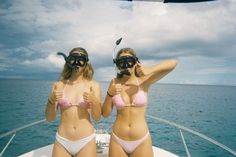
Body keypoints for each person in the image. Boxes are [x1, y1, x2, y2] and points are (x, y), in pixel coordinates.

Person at [102, 48, 177, 157]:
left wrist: (150, 69)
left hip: (141, 140)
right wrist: (110, 94)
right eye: (122, 62)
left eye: (129, 61)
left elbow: (173, 63)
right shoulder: (114, 82)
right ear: (118, 65)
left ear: (136, 62)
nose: (126, 65)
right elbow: (105, 114)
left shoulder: (144, 81)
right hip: (118, 139)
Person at [45, 47, 102, 157]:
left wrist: (94, 101)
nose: (76, 63)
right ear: (68, 61)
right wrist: (51, 101)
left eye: (80, 59)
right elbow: (50, 118)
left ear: (86, 63)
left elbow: (97, 117)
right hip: (62, 140)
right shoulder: (59, 85)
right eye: (73, 59)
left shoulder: (93, 85)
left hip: (86, 140)